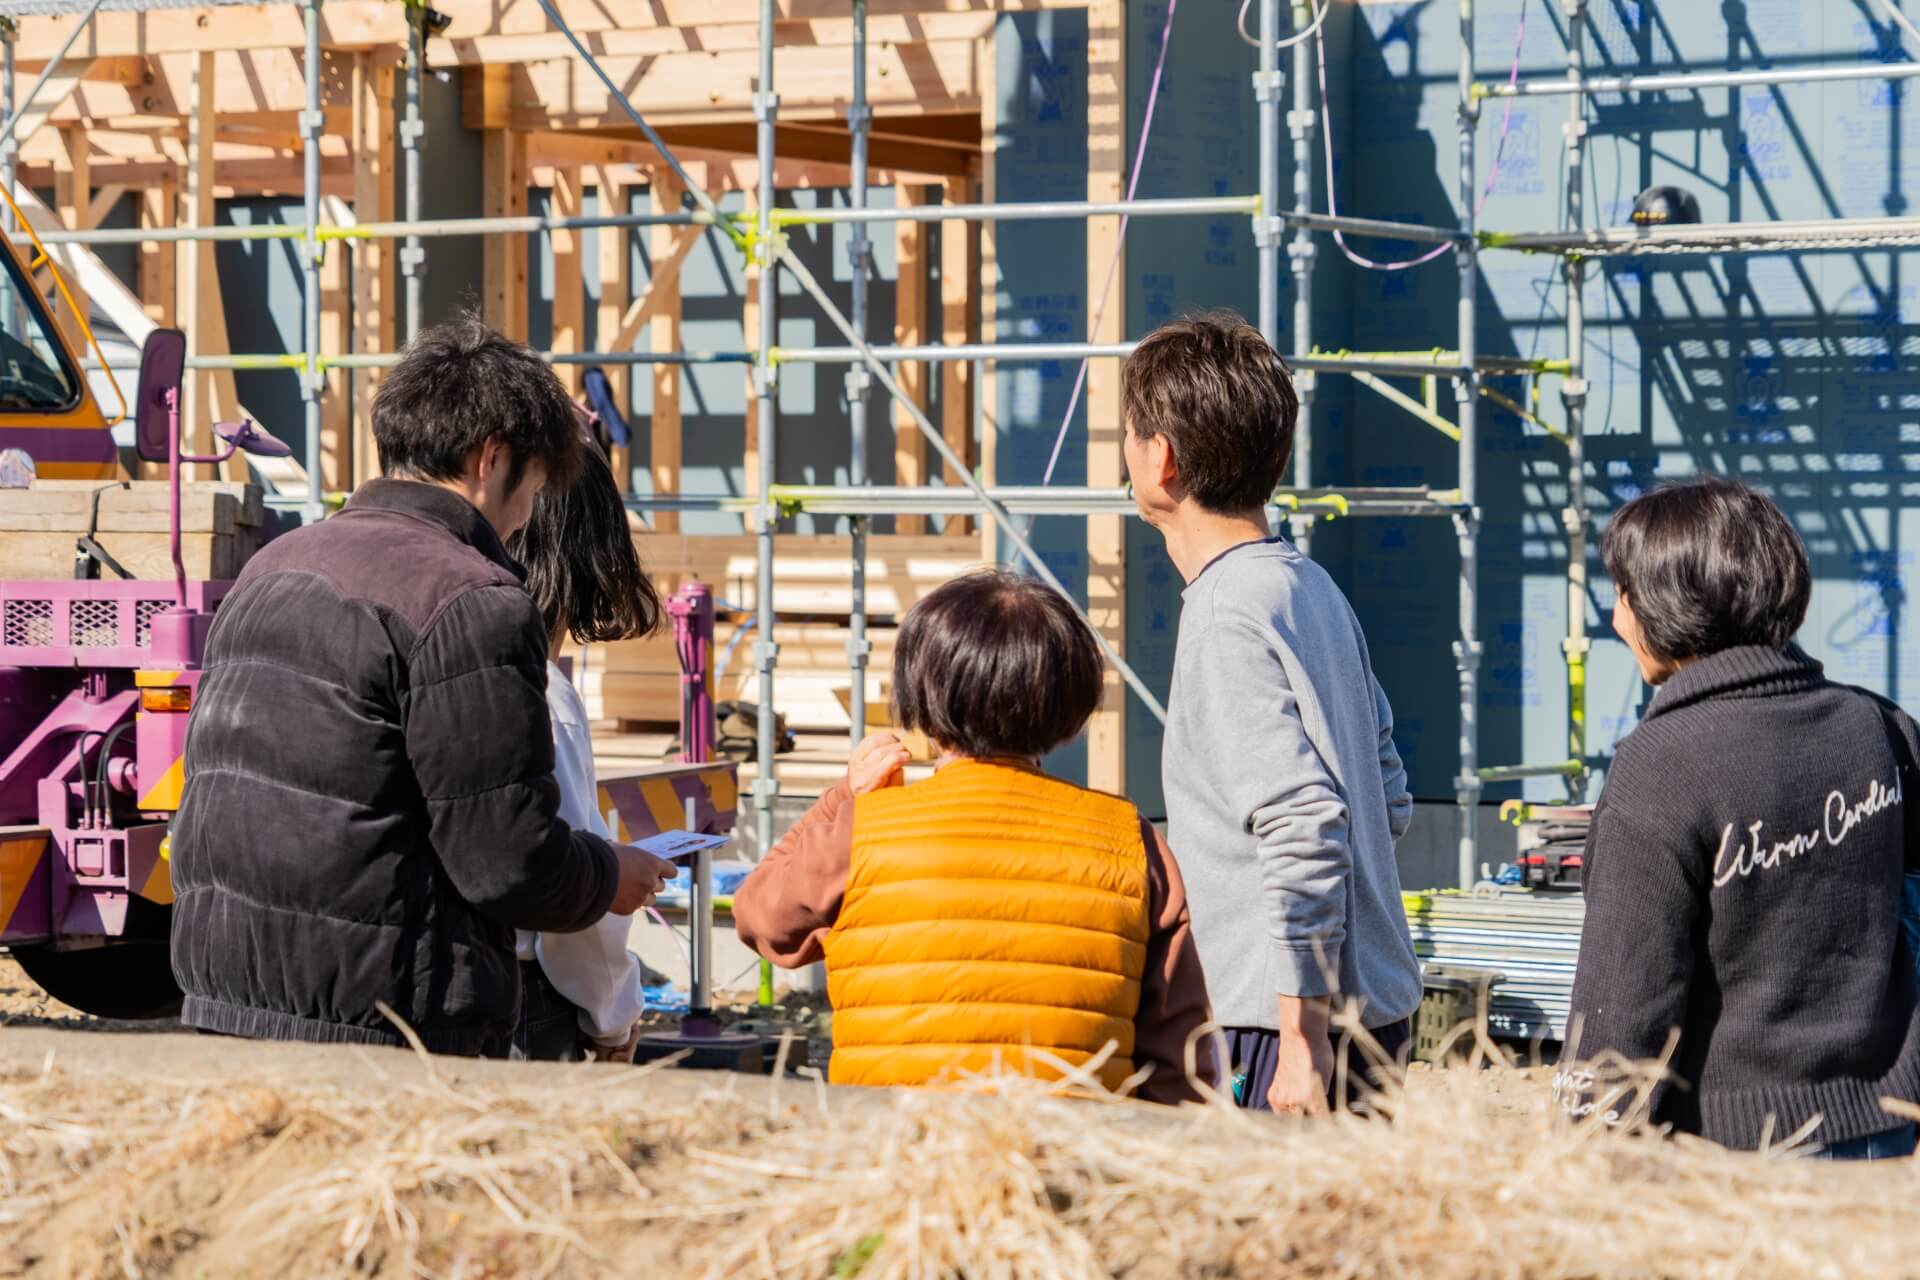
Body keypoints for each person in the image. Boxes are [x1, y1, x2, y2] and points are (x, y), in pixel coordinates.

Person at [169, 316, 677, 1056]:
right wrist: (608, 875)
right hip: (386, 1018)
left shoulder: (274, 565)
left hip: (230, 990)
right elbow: (508, 864)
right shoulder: (471, 599)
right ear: (491, 458)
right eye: (536, 487)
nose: (524, 520)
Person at [731, 570, 1216, 1104]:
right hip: (1074, 1143)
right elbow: (1180, 1056)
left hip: (891, 1140)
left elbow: (759, 917)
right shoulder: (1131, 840)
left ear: (921, 693)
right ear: (1073, 698)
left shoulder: (862, 829)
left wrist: (843, 798)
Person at [1561, 477, 1920, 1158]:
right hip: (1885, 1132)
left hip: (1736, 1155)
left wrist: (1582, 1152)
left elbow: (1625, 998)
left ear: (1667, 603)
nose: (1616, 618)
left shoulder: (1661, 764)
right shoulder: (1879, 727)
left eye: (1623, 593)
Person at [1120, 312, 1422, 1115]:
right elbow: (1387, 795)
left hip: (1278, 1029)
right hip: (1371, 1008)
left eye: (1129, 434)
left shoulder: (1226, 615)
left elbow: (1303, 823)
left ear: (1163, 459)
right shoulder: (1307, 586)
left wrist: (1301, 1036)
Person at [504, 441, 668, 1062]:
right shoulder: (544, 695)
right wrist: (614, 1019)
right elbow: (571, 905)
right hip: (529, 1003)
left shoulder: (441, 664)